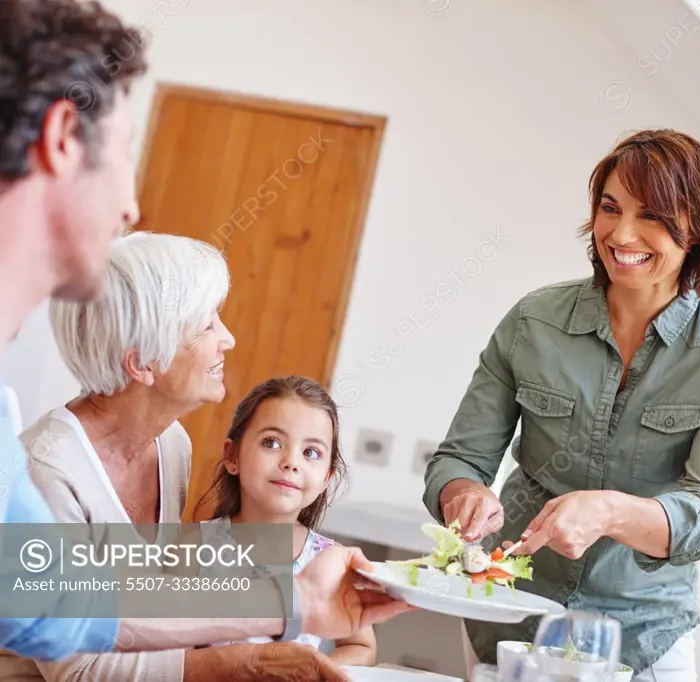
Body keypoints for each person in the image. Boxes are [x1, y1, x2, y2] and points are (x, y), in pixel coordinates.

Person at [0, 0, 410, 665]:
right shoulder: (45, 461)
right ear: (61, 137)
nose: (131, 205)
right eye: (125, 152)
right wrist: (250, 653)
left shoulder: (164, 443)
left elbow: (56, 601)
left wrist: (292, 603)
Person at [423, 129, 700, 681]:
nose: (621, 233)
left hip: (643, 637)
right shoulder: (534, 322)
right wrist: (463, 496)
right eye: (610, 208)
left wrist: (609, 512)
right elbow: (459, 458)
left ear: (696, 228)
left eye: (652, 215)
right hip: (513, 621)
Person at [2, 232, 356, 681]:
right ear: (143, 362)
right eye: (207, 324)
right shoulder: (45, 471)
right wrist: (243, 663)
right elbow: (79, 671)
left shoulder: (172, 443)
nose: (226, 339)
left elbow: (147, 605)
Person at [196, 375, 377, 670]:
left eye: (311, 452)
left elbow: (360, 646)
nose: (292, 462)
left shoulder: (331, 561)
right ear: (233, 456)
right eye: (272, 442)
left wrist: (318, 671)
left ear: (326, 479)